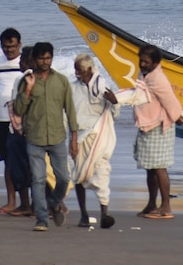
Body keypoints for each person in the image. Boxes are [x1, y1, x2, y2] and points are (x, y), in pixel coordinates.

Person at [13, 42, 78, 232]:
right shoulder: (26, 81)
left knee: (64, 179)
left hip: (58, 137)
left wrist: (74, 138)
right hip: (35, 137)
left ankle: (54, 203)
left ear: (52, 58)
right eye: (41, 58)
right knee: (38, 180)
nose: (45, 61)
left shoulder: (61, 81)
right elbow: (18, 109)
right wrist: (27, 90)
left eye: (48, 58)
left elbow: (70, 110)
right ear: (34, 59)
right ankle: (41, 219)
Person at [133, 44, 183, 219]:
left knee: (159, 167)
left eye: (146, 62)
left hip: (160, 126)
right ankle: (151, 204)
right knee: (150, 168)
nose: (143, 64)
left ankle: (166, 207)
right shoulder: (144, 75)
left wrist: (177, 116)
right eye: (141, 60)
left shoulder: (158, 79)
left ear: (155, 62)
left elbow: (170, 100)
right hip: (147, 125)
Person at [70, 53, 118, 229]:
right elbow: (68, 112)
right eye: (76, 70)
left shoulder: (102, 86)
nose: (77, 74)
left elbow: (114, 111)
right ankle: (83, 215)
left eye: (80, 70)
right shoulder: (72, 88)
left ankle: (105, 213)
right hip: (80, 137)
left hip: (99, 135)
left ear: (90, 69)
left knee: (102, 171)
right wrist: (72, 139)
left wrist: (114, 102)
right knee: (79, 176)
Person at [0, 27, 24, 215]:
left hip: (21, 121)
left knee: (25, 161)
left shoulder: (26, 63)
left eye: (13, 46)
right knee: (7, 161)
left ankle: (29, 203)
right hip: (1, 119)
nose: (9, 50)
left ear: (19, 45)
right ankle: (10, 202)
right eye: (6, 47)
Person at [4, 46, 35, 217]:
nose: (20, 62)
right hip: (29, 131)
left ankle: (26, 205)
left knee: (21, 169)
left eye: (24, 59)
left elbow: (19, 106)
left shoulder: (23, 79)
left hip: (20, 131)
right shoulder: (33, 78)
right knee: (30, 169)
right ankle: (31, 205)